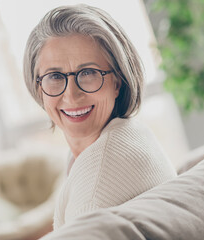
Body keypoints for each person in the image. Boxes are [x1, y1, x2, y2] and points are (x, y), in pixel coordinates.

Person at [23, 4, 177, 230]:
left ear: (117, 80)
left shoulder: (95, 191)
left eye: (88, 73)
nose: (71, 95)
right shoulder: (128, 133)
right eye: (55, 76)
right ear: (38, 88)